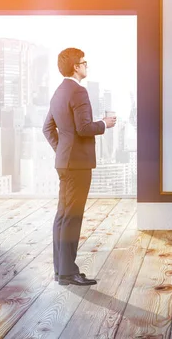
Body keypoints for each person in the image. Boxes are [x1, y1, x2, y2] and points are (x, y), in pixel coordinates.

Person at [42, 47, 116, 286]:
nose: (86, 65)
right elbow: (83, 128)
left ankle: (61, 270)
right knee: (72, 217)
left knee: (63, 215)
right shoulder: (78, 92)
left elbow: (47, 129)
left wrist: (63, 151)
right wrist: (104, 124)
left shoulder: (57, 93)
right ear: (76, 66)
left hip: (64, 163)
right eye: (84, 62)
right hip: (78, 165)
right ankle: (67, 273)